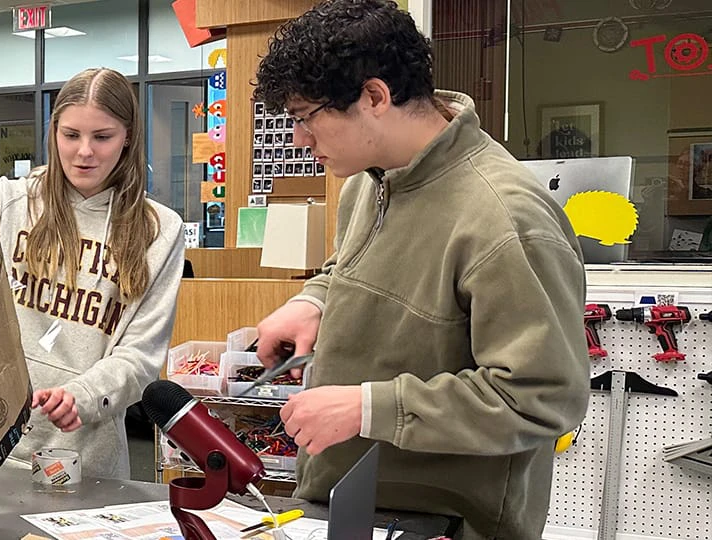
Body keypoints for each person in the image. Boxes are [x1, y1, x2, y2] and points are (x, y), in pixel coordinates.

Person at [251, 1, 588, 537]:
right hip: (348, 503)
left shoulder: (505, 218)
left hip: (446, 522)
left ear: (375, 97)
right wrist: (312, 300)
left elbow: (542, 398)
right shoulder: (369, 181)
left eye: (304, 118)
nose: (297, 140)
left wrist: (367, 408)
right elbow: (353, 266)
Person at [0, 68, 186, 480]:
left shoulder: (159, 230)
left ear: (128, 136)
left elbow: (141, 357)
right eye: (71, 135)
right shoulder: (13, 200)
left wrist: (83, 396)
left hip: (88, 458)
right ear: (54, 131)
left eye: (102, 137)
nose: (84, 152)